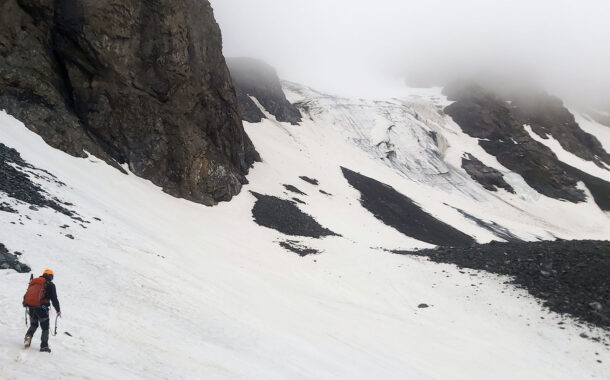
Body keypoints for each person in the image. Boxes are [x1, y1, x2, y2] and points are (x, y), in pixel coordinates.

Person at [23, 269, 61, 352]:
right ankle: (44, 346)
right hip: (42, 308)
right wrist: (58, 309)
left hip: (31, 307)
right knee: (45, 327)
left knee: (34, 324)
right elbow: (54, 299)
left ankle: (28, 337)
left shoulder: (34, 282)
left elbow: (27, 294)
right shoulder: (50, 284)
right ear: (50, 276)